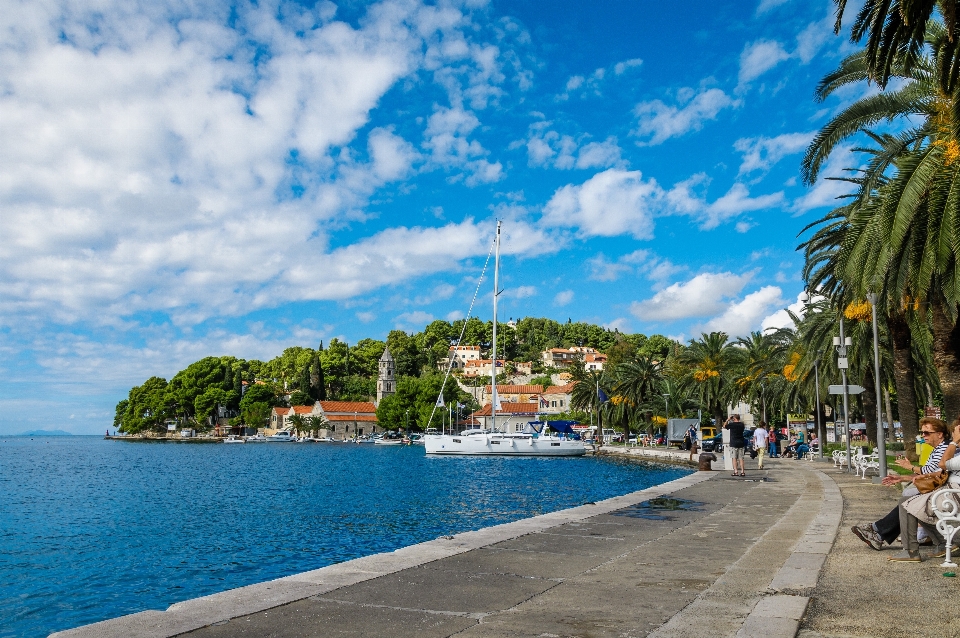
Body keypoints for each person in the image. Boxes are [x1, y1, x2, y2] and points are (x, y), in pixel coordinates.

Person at [851, 417, 954, 556]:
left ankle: (881, 533)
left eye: (927, 433)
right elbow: (931, 475)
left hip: (945, 492)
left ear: (940, 434)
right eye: (922, 432)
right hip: (940, 489)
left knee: (908, 500)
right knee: (909, 496)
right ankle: (879, 532)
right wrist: (902, 478)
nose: (923, 436)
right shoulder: (939, 449)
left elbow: (935, 472)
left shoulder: (945, 448)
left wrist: (910, 467)